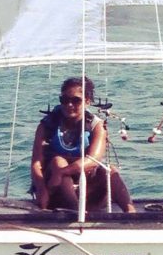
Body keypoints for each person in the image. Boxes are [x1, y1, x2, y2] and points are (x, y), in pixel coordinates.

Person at [30, 76, 135, 213]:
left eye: (76, 100)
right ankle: (75, 212)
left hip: (87, 188)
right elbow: (36, 163)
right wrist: (42, 189)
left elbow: (93, 160)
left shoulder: (96, 126)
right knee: (58, 161)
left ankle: (131, 212)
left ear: (87, 101)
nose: (69, 105)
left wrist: (61, 173)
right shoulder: (46, 126)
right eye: (65, 100)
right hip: (54, 189)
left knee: (110, 170)